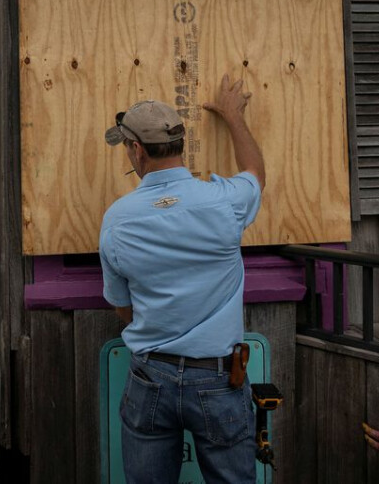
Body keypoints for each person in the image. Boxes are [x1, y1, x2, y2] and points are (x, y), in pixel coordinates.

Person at [99, 73, 265, 484]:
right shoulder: (224, 202)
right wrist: (232, 116)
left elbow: (123, 308)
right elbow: (255, 173)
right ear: (180, 144)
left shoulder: (118, 221)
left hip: (150, 376)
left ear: (136, 151)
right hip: (218, 376)